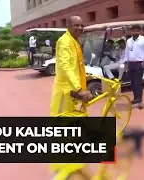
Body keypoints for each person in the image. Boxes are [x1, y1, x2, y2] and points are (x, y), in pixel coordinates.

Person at [50, 15, 93, 180]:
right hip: (65, 93)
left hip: (73, 91)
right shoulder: (65, 41)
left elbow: (76, 65)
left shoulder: (73, 40)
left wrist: (84, 76)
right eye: (76, 25)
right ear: (68, 26)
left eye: (82, 25)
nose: (80, 28)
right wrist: (78, 88)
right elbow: (66, 66)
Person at [123, 25, 144, 109]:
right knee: (132, 83)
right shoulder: (129, 41)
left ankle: (140, 101)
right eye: (133, 30)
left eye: (137, 30)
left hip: (140, 63)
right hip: (131, 63)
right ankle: (135, 98)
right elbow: (126, 52)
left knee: (138, 82)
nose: (135, 32)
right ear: (131, 31)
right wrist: (126, 63)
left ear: (140, 31)